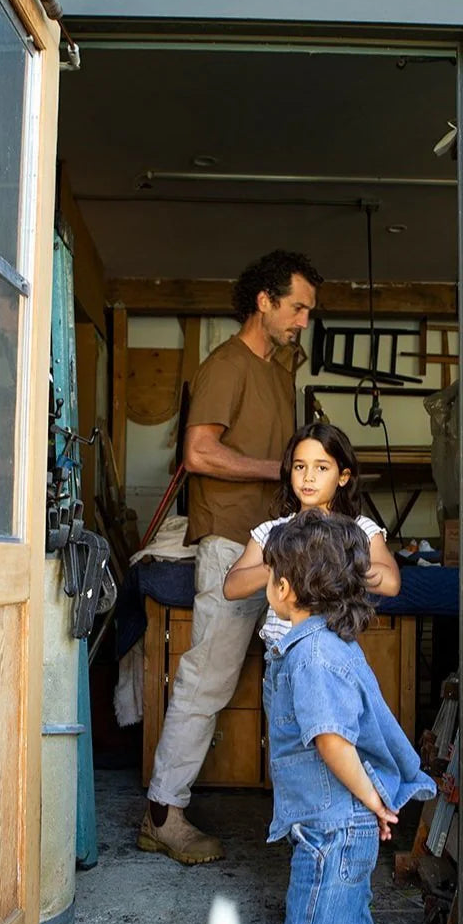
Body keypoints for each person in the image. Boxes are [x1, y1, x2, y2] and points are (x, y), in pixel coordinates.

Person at [206, 511, 434, 924]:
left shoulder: (309, 658)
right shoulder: (334, 645)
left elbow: (333, 742)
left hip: (334, 830)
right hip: (345, 826)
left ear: (284, 591)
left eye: (275, 574)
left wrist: (372, 801)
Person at [138, 250, 323, 865]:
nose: (303, 319)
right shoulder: (226, 364)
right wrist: (281, 469)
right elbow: (198, 453)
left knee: (300, 678)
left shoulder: (280, 369)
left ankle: (310, 815)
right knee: (207, 679)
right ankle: (163, 813)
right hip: (229, 545)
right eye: (296, 307)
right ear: (263, 302)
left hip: (279, 545)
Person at [223, 421, 401, 644]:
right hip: (281, 655)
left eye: (322, 468)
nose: (308, 477)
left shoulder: (360, 529)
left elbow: (391, 583)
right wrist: (283, 561)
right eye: (300, 467)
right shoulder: (272, 532)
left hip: (332, 652)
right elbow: (232, 587)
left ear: (343, 477)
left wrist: (332, 557)